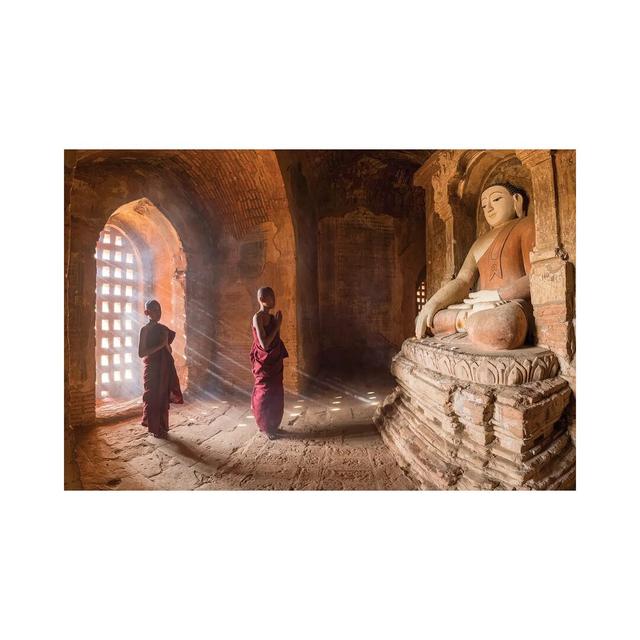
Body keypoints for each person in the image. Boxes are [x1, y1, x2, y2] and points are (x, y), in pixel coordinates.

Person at [415, 182, 535, 351]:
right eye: (484, 205)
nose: (489, 208)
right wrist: (432, 303)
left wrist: (498, 295)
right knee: (431, 319)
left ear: (517, 200)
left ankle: (468, 324)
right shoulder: (479, 242)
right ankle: (470, 320)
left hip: (512, 303)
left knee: (501, 323)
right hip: (480, 307)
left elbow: (537, 276)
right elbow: (463, 280)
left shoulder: (526, 225)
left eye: (497, 199)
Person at [138, 299, 183, 438]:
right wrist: (161, 344)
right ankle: (153, 428)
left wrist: (166, 345)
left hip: (163, 368)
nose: (158, 313)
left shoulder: (163, 329)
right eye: (155, 310)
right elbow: (141, 353)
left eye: (160, 310)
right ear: (147, 312)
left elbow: (168, 350)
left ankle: (162, 426)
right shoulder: (145, 330)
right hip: (152, 368)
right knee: (151, 397)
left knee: (162, 396)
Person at [250, 287, 289, 440]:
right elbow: (264, 344)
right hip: (264, 362)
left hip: (274, 361)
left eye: (274, 296)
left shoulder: (273, 318)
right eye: (270, 297)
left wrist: (277, 324)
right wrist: (278, 325)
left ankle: (274, 425)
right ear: (262, 299)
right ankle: (265, 426)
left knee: (276, 392)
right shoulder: (257, 317)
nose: (274, 300)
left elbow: (275, 341)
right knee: (264, 393)